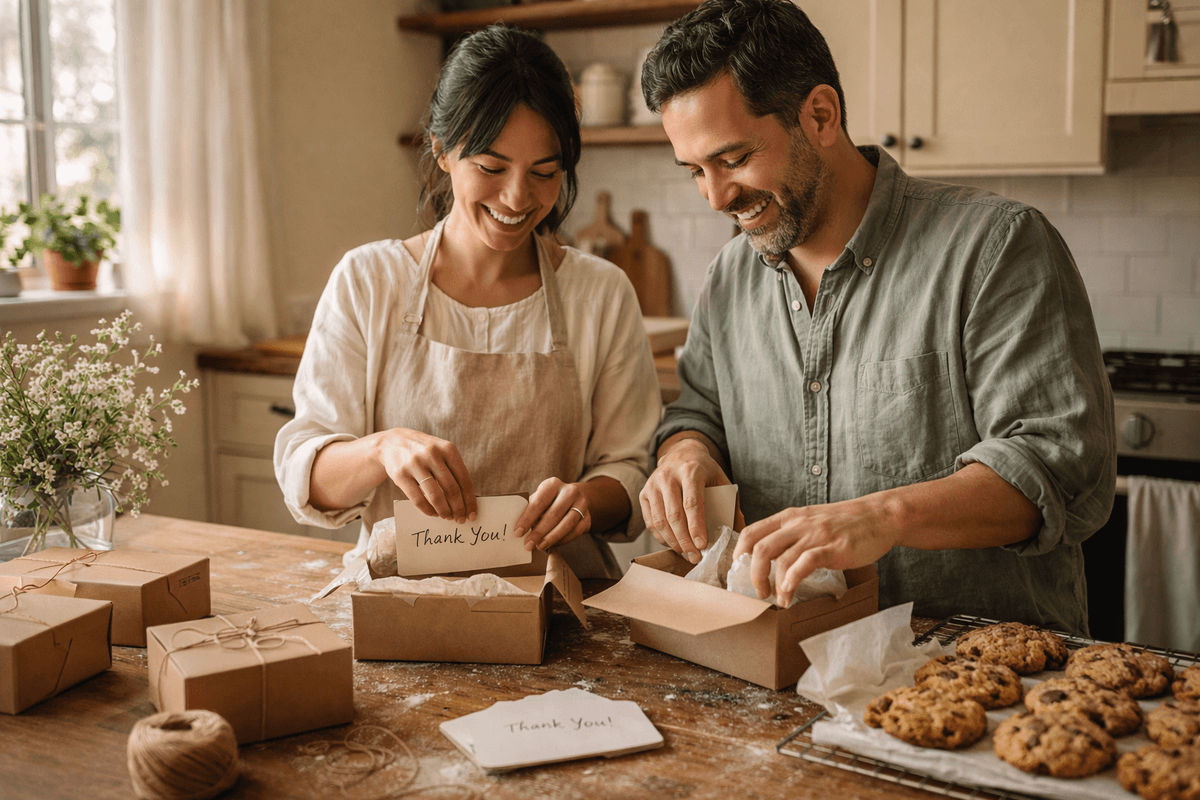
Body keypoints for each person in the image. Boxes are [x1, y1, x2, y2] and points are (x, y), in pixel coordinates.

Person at [637, 0, 1115, 635]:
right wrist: (685, 454)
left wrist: (880, 517)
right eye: (695, 170)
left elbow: (1059, 467)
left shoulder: (995, 246)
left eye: (733, 159)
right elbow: (697, 413)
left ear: (821, 115)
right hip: (790, 669)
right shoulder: (730, 277)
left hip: (978, 671)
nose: (717, 197)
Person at [275, 25, 661, 579]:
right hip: (403, 608)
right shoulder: (368, 280)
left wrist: (585, 500)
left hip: (559, 606)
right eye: (491, 167)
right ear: (441, 150)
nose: (517, 197)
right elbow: (305, 476)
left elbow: (629, 471)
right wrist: (381, 449)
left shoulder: (600, 293)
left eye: (545, 172)